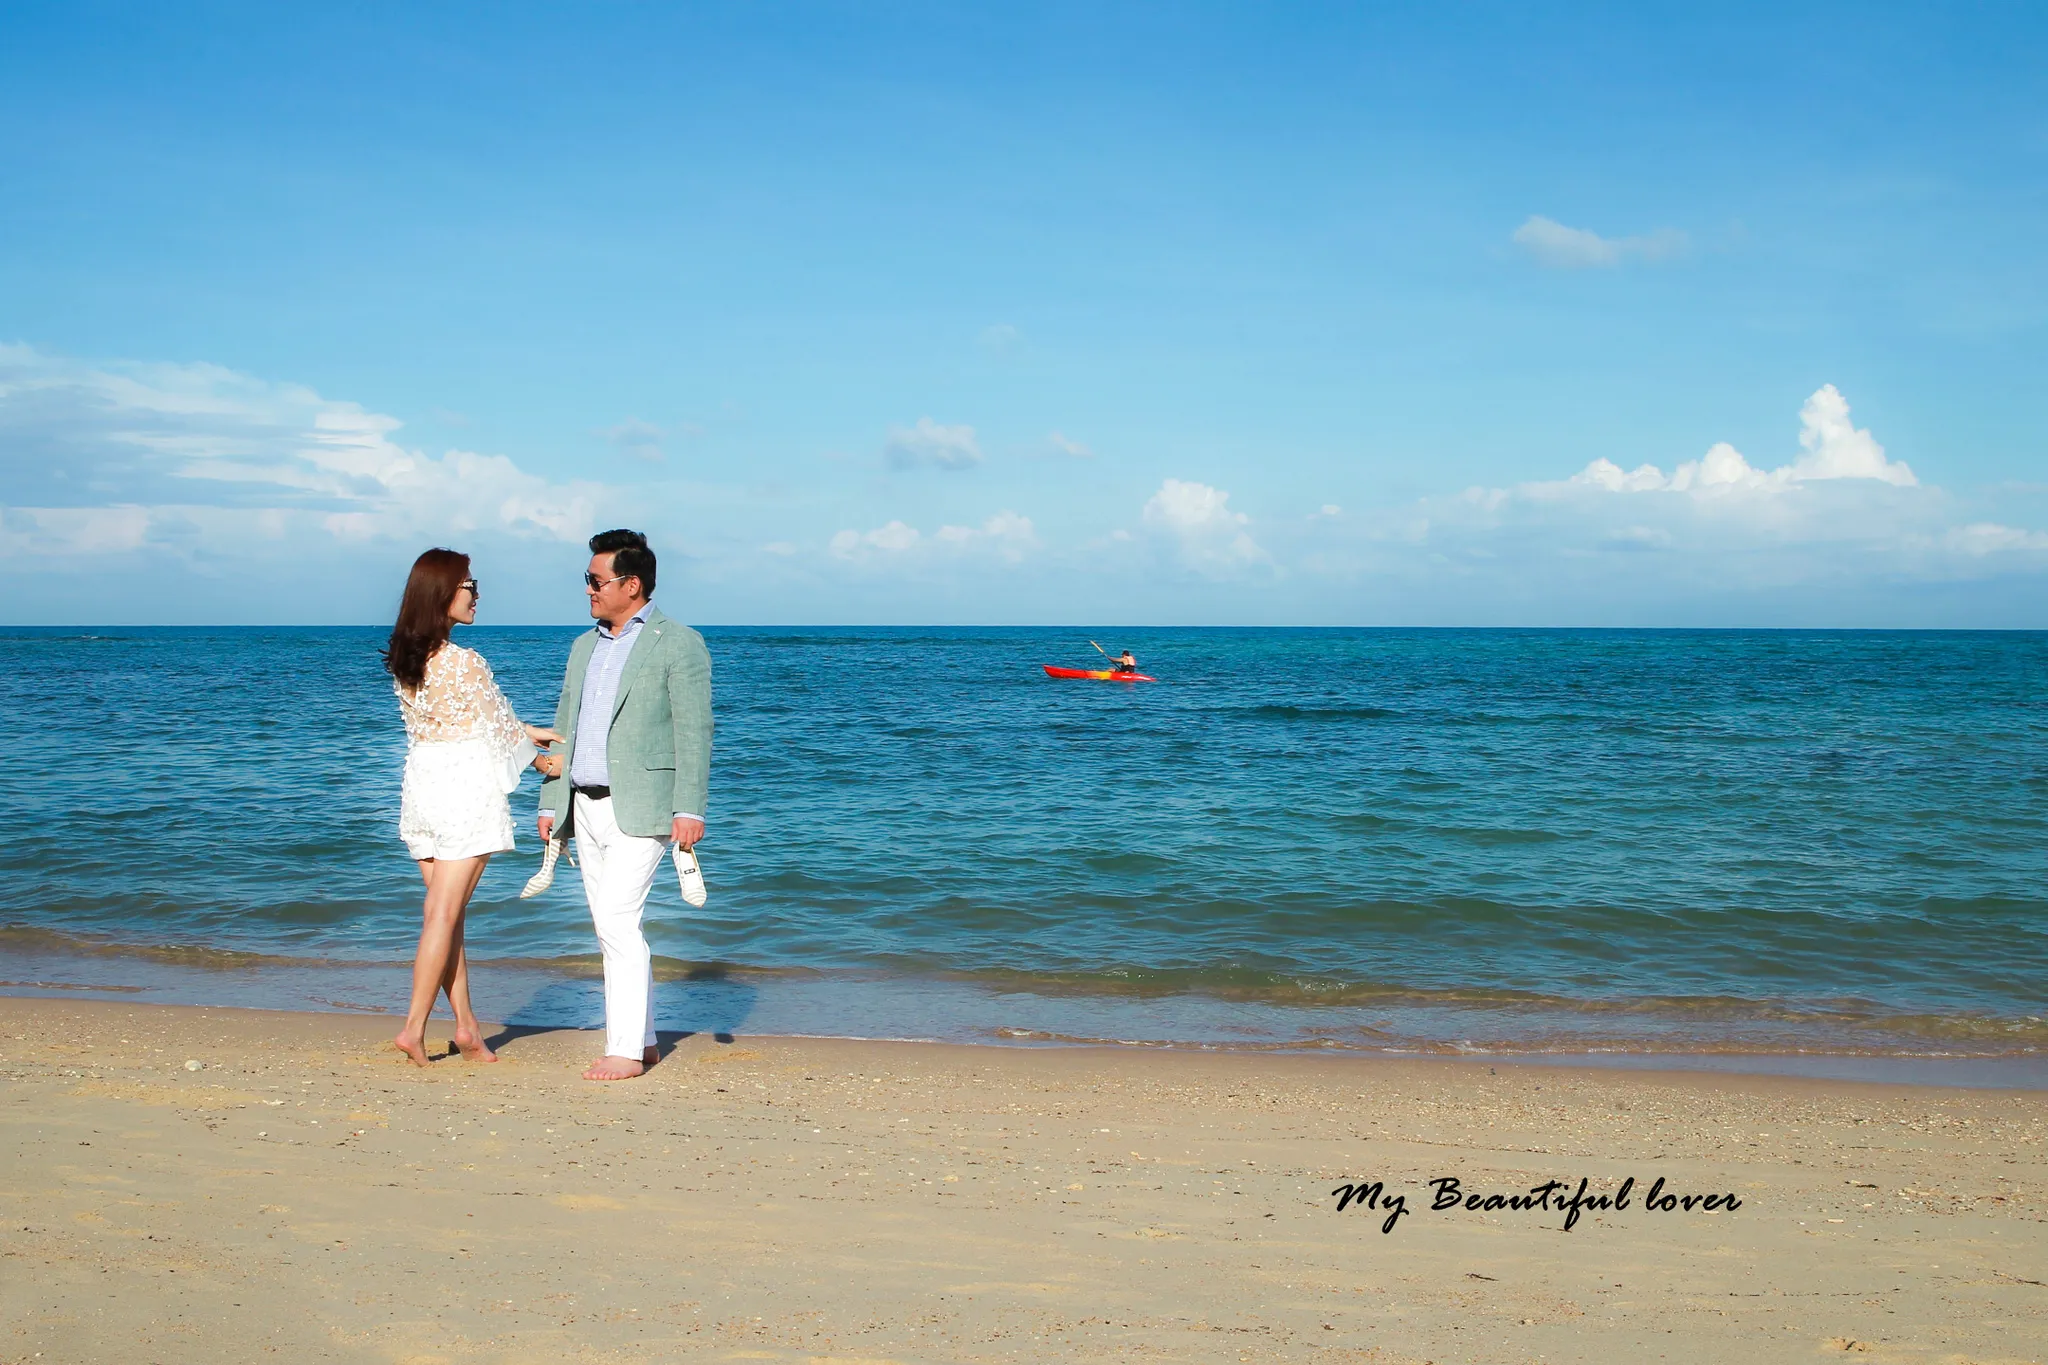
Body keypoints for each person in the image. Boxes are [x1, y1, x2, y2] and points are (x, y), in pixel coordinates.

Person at [536, 529, 713, 1082]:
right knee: (609, 925)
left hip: (644, 806)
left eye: (596, 581)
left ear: (631, 585)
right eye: (588, 580)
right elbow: (564, 726)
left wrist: (690, 808)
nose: (588, 589)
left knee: (616, 921)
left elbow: (695, 731)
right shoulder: (583, 646)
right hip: (581, 805)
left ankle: (624, 1051)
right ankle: (645, 1040)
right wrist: (550, 802)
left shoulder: (679, 642)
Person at [384, 548, 563, 1067]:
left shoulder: (407, 657)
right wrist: (544, 763)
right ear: (442, 592)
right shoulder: (463, 660)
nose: (476, 594)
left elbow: (470, 718)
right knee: (443, 915)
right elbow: (494, 727)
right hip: (463, 789)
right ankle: (413, 1027)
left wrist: (526, 731)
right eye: (469, 585)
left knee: (446, 917)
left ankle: (467, 1029)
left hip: (423, 785)